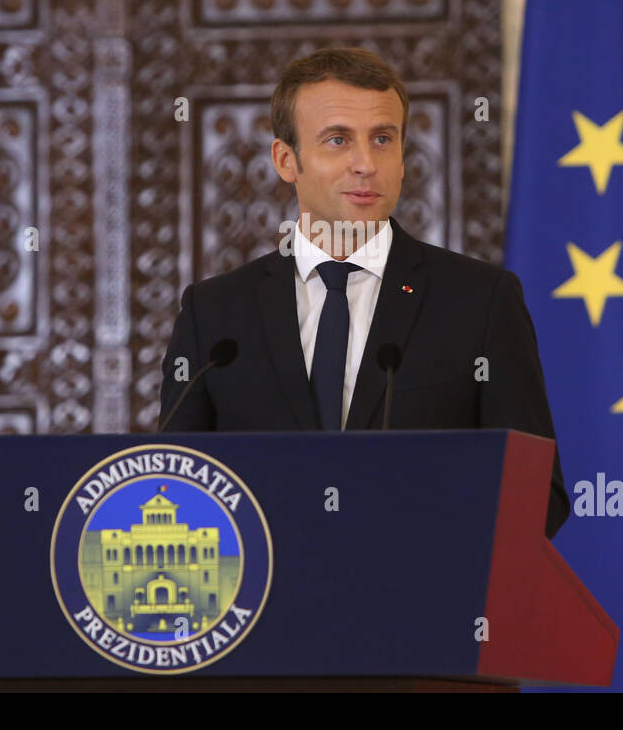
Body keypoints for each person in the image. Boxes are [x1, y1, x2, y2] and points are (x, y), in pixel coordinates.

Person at [159, 47, 568, 538]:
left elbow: (539, 494)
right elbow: (175, 487)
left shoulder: (480, 301)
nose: (365, 164)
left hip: (423, 603)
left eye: (382, 139)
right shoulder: (215, 314)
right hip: (269, 604)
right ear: (286, 160)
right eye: (337, 140)